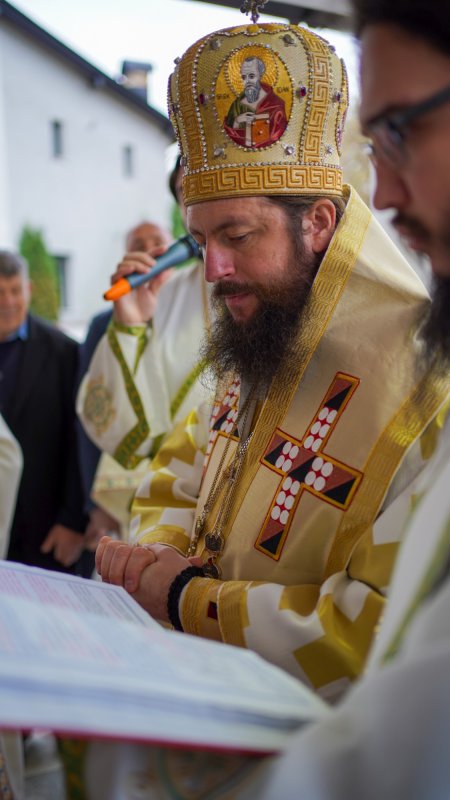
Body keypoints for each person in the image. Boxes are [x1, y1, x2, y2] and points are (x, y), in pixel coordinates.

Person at [77, 2, 450, 798]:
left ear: (319, 221)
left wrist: (185, 596)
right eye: (201, 239)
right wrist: (151, 552)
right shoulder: (260, 334)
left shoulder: (422, 386)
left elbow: (369, 635)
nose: (212, 271)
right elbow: (178, 466)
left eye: (238, 238)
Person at [77, 160, 211, 474]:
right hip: (181, 491)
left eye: (207, 182)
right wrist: (131, 326)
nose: (197, 200)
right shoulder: (163, 297)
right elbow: (120, 425)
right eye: (184, 191)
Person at [76, 220, 174, 550]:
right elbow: (94, 407)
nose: (148, 249)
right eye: (138, 243)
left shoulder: (201, 307)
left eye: (156, 240)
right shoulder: (104, 323)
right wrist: (94, 506)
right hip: (123, 487)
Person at [0, 251, 88, 572]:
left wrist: (72, 521)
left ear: (29, 290)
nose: (8, 302)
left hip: (45, 532)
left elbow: (79, 439)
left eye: (15, 291)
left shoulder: (64, 352)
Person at [224, 55, 288, 147]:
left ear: (260, 74)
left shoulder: (275, 104)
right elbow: (228, 138)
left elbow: (276, 137)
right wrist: (238, 121)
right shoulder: (237, 105)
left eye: (251, 76)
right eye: (244, 77)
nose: (247, 82)